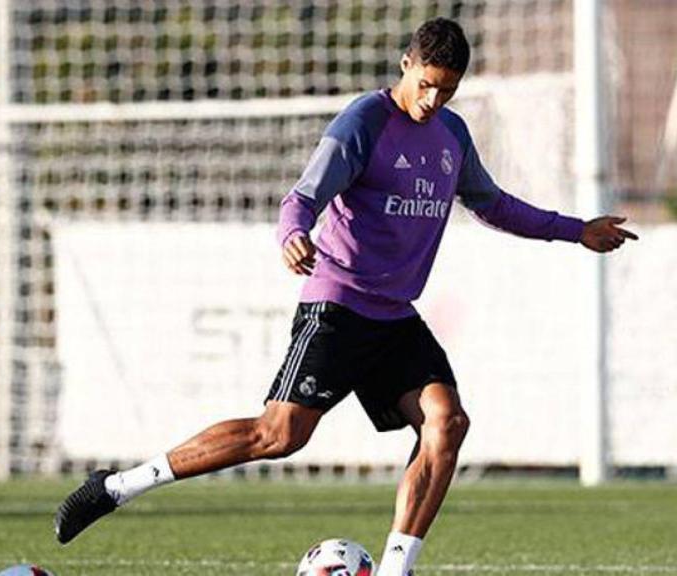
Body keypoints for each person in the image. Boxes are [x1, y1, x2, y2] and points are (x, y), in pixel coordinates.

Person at [53, 16, 637, 576]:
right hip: (337, 305)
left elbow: (493, 205)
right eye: (427, 85)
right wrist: (292, 237)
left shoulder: (452, 135)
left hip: (395, 319)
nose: (434, 100)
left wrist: (575, 229)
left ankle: (395, 569)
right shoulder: (365, 121)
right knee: (278, 435)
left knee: (447, 422)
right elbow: (301, 198)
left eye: (448, 90)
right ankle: (118, 486)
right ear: (407, 65)